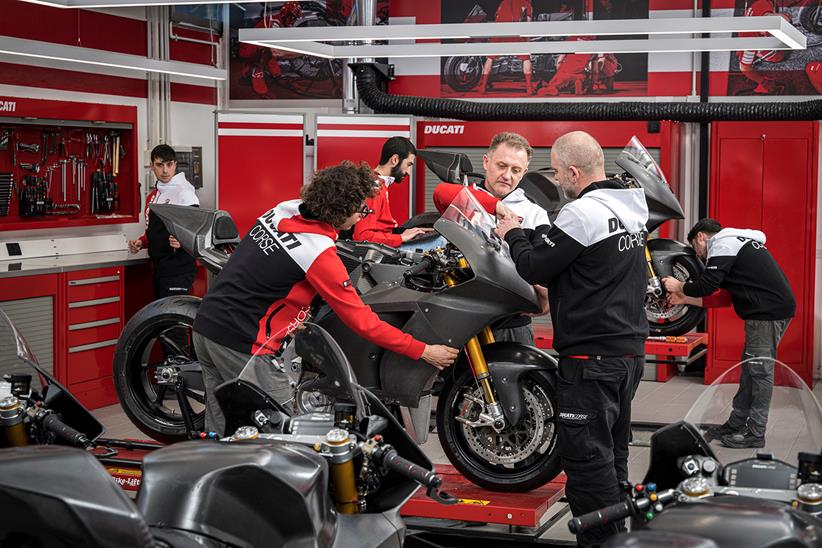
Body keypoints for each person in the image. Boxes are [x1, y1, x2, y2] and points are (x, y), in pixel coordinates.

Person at [193, 161, 459, 434]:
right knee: (284, 434)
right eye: (360, 211)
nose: (361, 217)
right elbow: (363, 322)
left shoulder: (283, 209)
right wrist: (424, 351)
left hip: (206, 327)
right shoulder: (318, 254)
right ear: (340, 210)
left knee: (222, 427)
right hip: (243, 344)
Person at [495, 131, 649, 548]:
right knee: (613, 457)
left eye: (560, 172)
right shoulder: (631, 209)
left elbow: (535, 266)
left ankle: (601, 542)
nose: (558, 179)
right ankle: (618, 537)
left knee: (587, 464)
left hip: (590, 359)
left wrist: (513, 231)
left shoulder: (583, 213)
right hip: (628, 354)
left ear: (574, 171)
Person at [663, 218, 795, 449]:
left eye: (696, 249)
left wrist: (678, 286)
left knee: (759, 372)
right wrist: (685, 298)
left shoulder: (723, 243)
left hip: (766, 313)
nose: (700, 257)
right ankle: (736, 423)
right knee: (750, 371)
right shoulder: (737, 244)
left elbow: (706, 286)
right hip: (767, 311)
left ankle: (755, 433)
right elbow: (723, 299)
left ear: (701, 237)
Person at [432, 132, 550, 344]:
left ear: (524, 173)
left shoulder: (535, 213)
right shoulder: (465, 199)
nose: (507, 175)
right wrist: (497, 207)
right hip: (462, 319)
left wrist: (546, 288)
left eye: (515, 170)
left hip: (512, 323)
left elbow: (542, 263)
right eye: (501, 165)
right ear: (486, 162)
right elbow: (440, 192)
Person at [128, 144, 199, 299]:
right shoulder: (153, 196)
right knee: (162, 319)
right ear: (152, 166)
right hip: (160, 269)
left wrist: (182, 240)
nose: (165, 170)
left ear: (175, 165)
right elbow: (154, 230)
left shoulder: (185, 193)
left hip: (178, 269)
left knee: (173, 320)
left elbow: (196, 231)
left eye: (169, 164)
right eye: (160, 165)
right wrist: (142, 242)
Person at [351, 136, 433, 246]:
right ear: (395, 160)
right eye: (408, 165)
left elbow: (379, 228)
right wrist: (401, 237)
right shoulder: (374, 186)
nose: (409, 172)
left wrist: (408, 232)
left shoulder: (377, 183)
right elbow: (362, 236)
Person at [478, 0, 533, 95]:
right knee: (526, 58)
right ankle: (529, 89)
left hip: (500, 32)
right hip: (516, 32)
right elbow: (528, 23)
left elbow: (497, 17)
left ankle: (483, 87)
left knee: (490, 58)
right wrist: (527, 39)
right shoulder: (526, 4)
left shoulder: (504, 2)